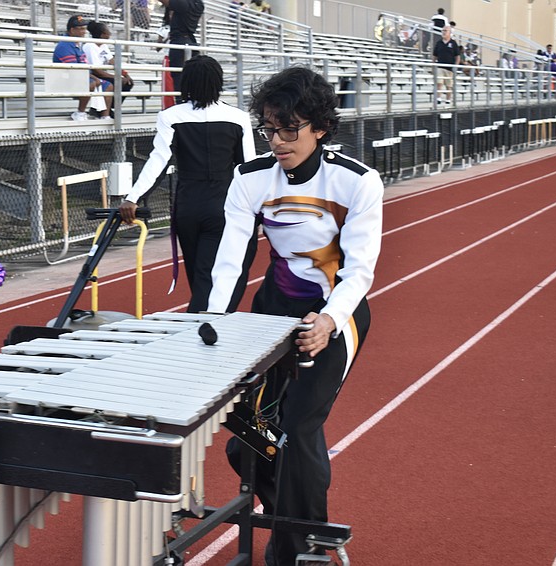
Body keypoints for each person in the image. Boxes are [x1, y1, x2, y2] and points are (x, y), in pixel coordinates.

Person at [205, 66, 383, 566]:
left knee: (299, 428)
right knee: (246, 443)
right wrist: (215, 318)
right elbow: (231, 256)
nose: (278, 140)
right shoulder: (249, 177)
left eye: (289, 129)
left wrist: (327, 322)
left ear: (319, 127)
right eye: (269, 128)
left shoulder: (357, 181)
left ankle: (292, 553)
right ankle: (306, 526)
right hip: (273, 312)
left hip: (335, 315)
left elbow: (360, 271)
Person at [118, 55, 256, 313]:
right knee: (213, 279)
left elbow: (157, 162)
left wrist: (132, 197)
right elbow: (247, 166)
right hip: (224, 208)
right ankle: (201, 334)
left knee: (198, 277)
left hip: (187, 209)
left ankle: (201, 329)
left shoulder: (170, 116)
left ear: (187, 83)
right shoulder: (238, 118)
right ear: (219, 82)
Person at [52, 15, 111, 121]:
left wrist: (94, 77)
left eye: (84, 29)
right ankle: (80, 112)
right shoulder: (64, 45)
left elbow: (83, 66)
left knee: (108, 86)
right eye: (81, 29)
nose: (84, 32)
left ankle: (104, 115)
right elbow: (74, 69)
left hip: (77, 75)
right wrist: (94, 78)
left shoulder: (77, 44)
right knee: (90, 82)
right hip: (64, 78)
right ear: (72, 30)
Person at [83, 21, 134, 116]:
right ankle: (101, 109)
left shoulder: (104, 45)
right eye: (108, 32)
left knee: (128, 82)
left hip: (101, 73)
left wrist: (125, 74)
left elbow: (113, 61)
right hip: (92, 75)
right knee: (116, 81)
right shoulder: (89, 46)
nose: (110, 34)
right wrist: (116, 77)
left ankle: (108, 107)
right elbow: (95, 70)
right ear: (102, 34)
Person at [159, 0, 204, 104]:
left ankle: (182, 103)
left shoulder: (183, 3)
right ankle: (192, 102)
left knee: (178, 77)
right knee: (192, 76)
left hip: (179, 41)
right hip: (191, 41)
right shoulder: (199, 4)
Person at [432, 25, 461, 105]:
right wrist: (433, 65)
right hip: (440, 66)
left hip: (449, 67)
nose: (444, 32)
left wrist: (456, 66)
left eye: (446, 31)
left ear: (450, 32)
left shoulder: (453, 43)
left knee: (449, 85)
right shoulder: (439, 43)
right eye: (443, 31)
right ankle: (438, 98)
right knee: (439, 82)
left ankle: (448, 99)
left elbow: (457, 56)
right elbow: (434, 55)